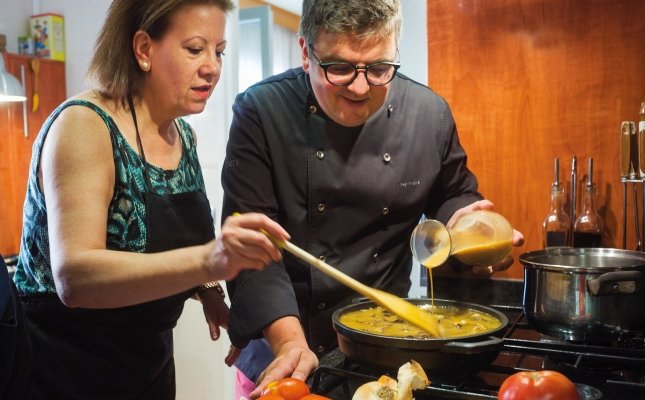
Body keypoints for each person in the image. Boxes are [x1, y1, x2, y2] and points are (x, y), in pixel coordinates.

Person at [221, 0, 525, 398]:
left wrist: (472, 229)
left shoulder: (428, 114)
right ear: (305, 52)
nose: (361, 87)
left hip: (386, 349)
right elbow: (253, 250)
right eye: (340, 68)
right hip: (285, 346)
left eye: (379, 69)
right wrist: (289, 342)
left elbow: (453, 195)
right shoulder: (261, 112)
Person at [11, 1, 290, 399]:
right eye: (195, 49)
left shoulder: (182, 137)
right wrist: (208, 261)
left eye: (219, 51)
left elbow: (175, 242)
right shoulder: (85, 126)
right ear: (143, 49)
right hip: (61, 372)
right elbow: (74, 277)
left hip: (147, 370)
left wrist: (207, 286)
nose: (212, 66)